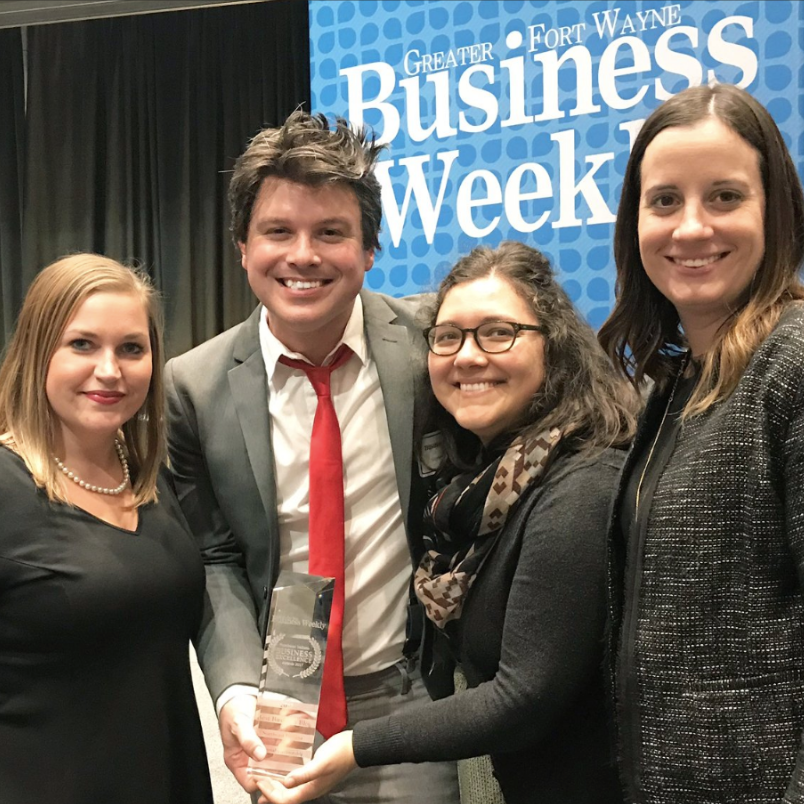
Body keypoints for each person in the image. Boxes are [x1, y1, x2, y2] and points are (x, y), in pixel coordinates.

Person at [256, 241, 640, 804]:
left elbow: (523, 697)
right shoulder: (480, 488)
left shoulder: (581, 483)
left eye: (497, 332)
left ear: (553, 345)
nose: (467, 356)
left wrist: (355, 746)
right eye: (448, 336)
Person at [164, 111, 460, 803]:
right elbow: (213, 558)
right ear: (242, 246)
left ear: (368, 250)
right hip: (282, 708)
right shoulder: (194, 387)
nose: (304, 255)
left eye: (331, 232)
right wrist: (238, 691)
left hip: (412, 694)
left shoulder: (434, 346)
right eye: (278, 232)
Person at [597, 82, 804, 803]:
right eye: (664, 201)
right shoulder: (673, 386)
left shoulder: (794, 363)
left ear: (775, 211)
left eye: (724, 196)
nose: (690, 228)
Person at [0, 254, 213, 804]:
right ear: (36, 351)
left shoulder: (151, 479)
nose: (110, 370)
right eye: (82, 344)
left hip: (168, 776)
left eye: (131, 348)